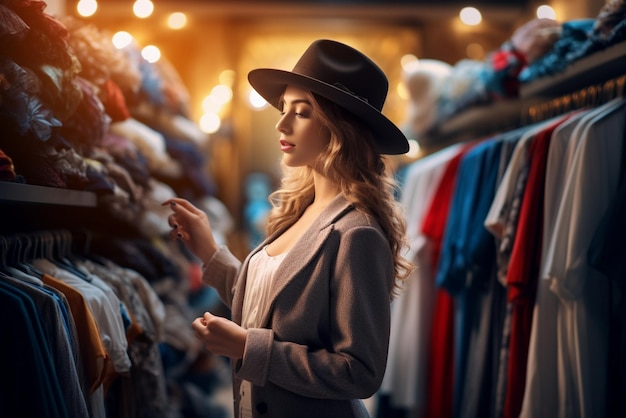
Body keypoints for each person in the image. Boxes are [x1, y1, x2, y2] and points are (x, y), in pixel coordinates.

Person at [162, 39, 414, 418]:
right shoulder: (300, 211)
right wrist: (209, 253)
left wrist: (249, 348)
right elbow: (273, 308)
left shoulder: (356, 233)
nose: (282, 122)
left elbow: (360, 373)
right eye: (284, 109)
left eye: (303, 112)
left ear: (340, 126)